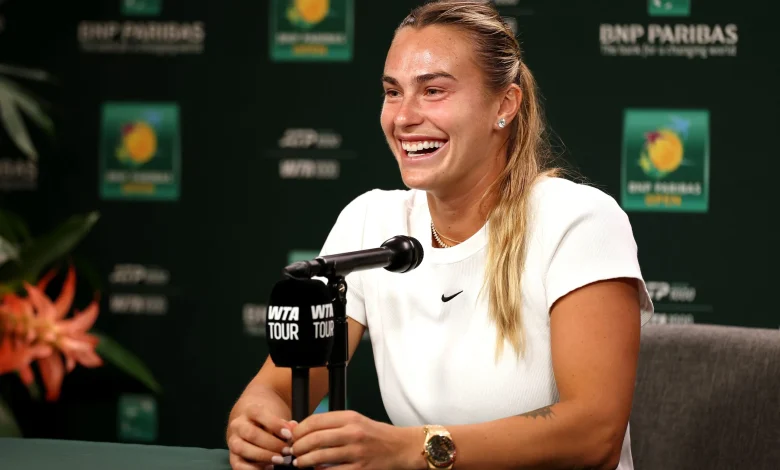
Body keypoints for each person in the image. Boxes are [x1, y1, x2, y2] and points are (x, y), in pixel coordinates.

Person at [226, 1, 654, 469]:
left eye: (433, 91)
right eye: (393, 92)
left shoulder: (578, 220)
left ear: (504, 106)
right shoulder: (370, 221)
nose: (403, 117)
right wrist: (256, 419)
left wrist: (411, 448)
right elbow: (278, 387)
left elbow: (594, 435)